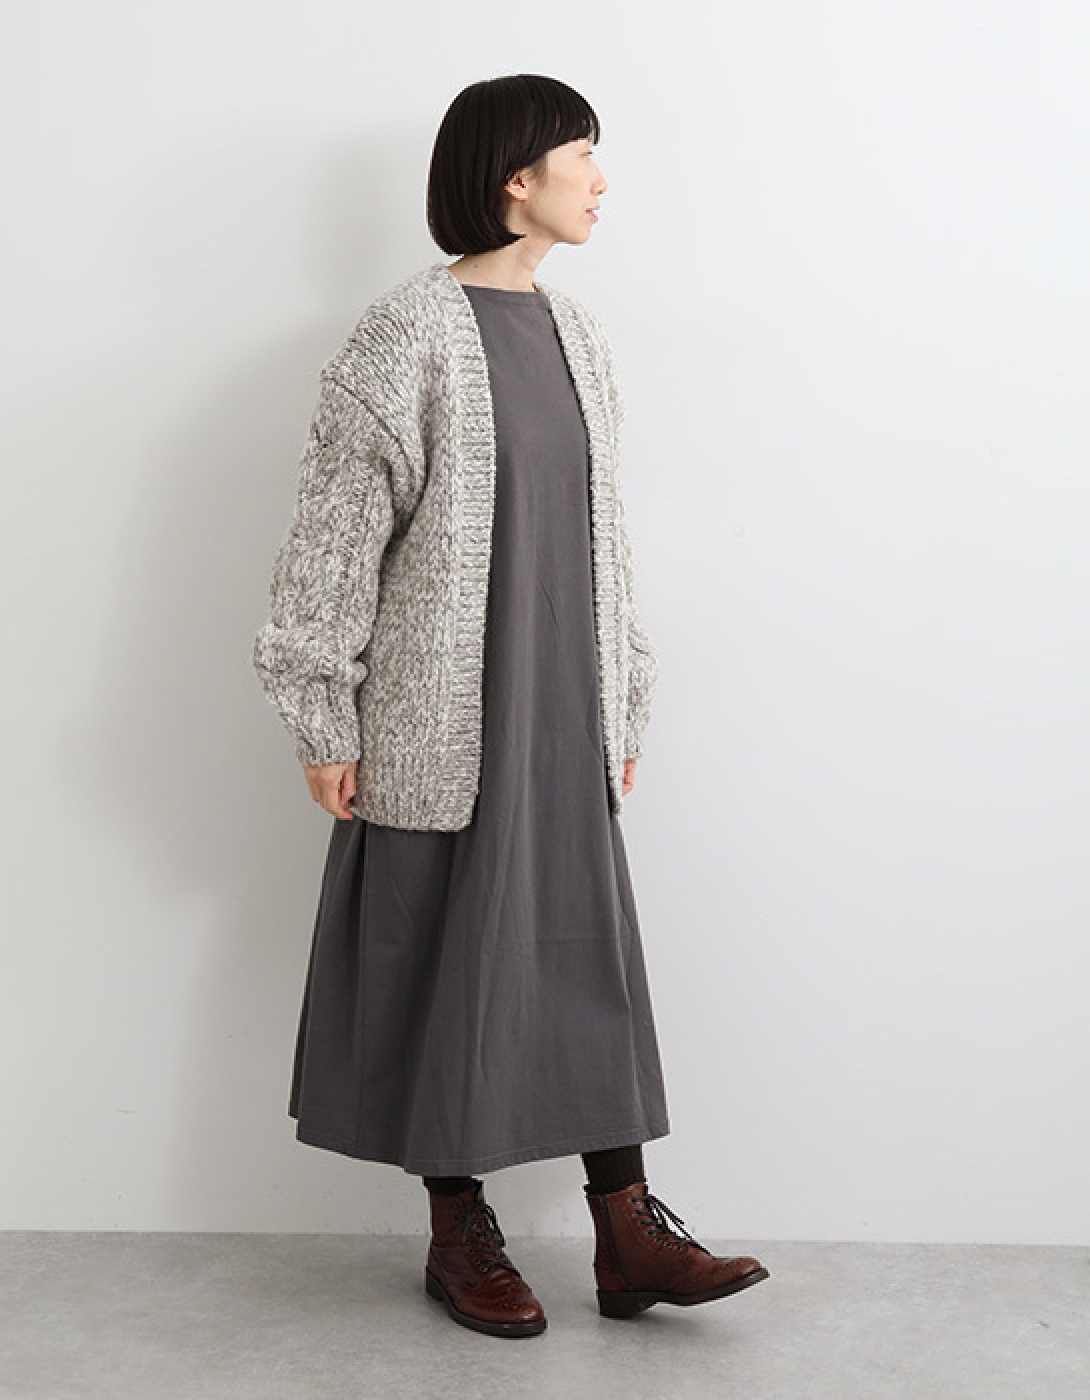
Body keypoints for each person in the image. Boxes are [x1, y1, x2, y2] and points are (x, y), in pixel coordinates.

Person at [252, 73, 769, 1339]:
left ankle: (627, 1229)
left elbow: (606, 536)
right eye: (582, 154)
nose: (601, 178)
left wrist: (622, 700)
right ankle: (457, 1228)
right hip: (442, 711)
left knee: (582, 955)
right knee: (447, 953)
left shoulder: (578, 333)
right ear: (515, 178)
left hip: (563, 708)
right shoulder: (403, 335)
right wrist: (323, 710)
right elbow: (333, 540)